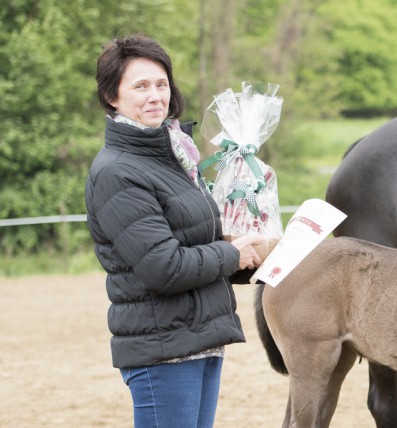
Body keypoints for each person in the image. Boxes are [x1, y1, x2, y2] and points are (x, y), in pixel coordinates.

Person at [85, 34, 264, 428]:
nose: (155, 95)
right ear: (112, 96)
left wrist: (253, 254)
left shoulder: (175, 159)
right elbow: (163, 267)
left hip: (199, 341)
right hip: (162, 352)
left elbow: (197, 245)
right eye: (140, 86)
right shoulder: (117, 172)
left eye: (161, 83)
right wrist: (230, 254)